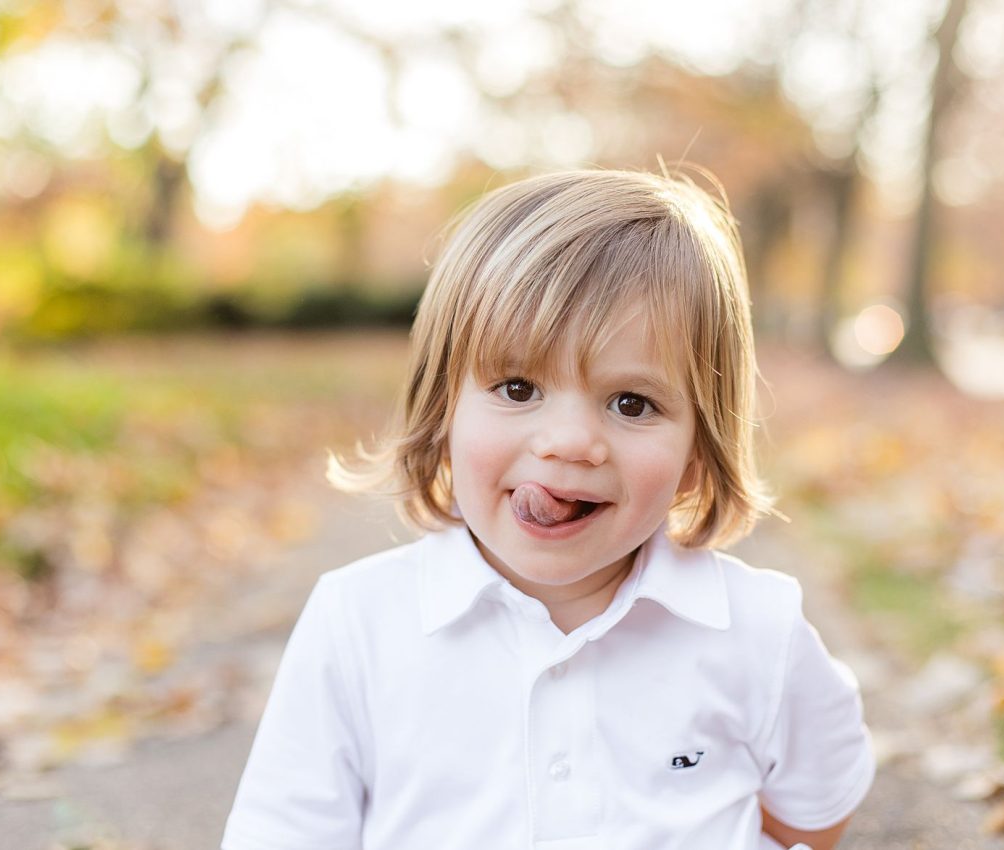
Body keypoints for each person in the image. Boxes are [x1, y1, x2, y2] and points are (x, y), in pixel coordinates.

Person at [222, 169, 874, 850]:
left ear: (696, 451)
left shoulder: (757, 632)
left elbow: (811, 814)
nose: (568, 443)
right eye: (516, 387)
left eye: (632, 404)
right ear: (443, 409)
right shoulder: (357, 623)